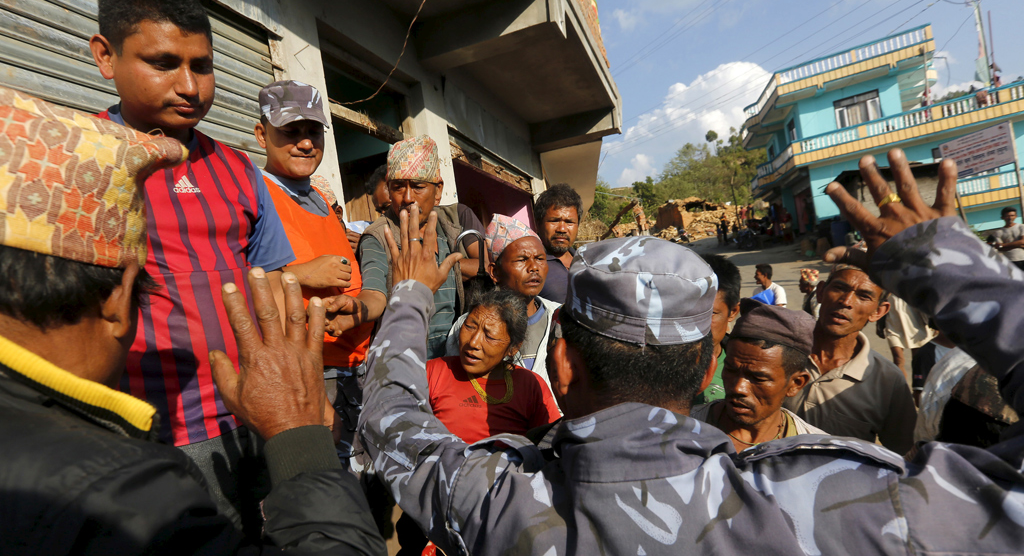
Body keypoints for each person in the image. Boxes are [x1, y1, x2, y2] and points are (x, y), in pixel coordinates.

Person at [356, 148, 1024, 554]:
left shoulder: (496, 498)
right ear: (709, 366)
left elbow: (392, 424)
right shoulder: (832, 503)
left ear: (561, 362)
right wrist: (954, 271)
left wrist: (410, 296)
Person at [0, 88, 385, 554]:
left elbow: (268, 288)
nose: (187, 85)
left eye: (313, 132)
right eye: (291, 131)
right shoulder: (125, 486)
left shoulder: (253, 178)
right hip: (189, 424)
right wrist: (305, 450)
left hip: (261, 403)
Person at [88, 0, 298, 526]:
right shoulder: (85, 161)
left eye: (202, 66)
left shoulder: (238, 168)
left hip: (258, 413)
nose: (189, 86)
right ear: (106, 56)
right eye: (163, 63)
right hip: (154, 432)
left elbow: (274, 284)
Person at [253, 80, 379, 456]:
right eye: (291, 132)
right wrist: (301, 273)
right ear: (262, 134)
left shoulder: (321, 196)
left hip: (355, 366)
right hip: (309, 373)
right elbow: (232, 280)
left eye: (314, 132)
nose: (306, 143)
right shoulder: (254, 195)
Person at [399, 288, 560, 555]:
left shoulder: (530, 385)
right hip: (435, 503)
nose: (473, 342)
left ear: (513, 347)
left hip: (502, 509)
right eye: (470, 326)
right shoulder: (435, 372)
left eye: (489, 335)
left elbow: (546, 449)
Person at [358, 135, 474, 358]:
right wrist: (358, 309)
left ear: (438, 191)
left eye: (418, 187)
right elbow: (373, 291)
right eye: (398, 188)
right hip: (405, 357)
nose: (408, 197)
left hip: (451, 358)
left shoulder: (448, 227)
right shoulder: (378, 236)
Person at [785, 263, 917, 454]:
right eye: (839, 288)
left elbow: (903, 453)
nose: (846, 301)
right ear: (820, 292)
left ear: (878, 312)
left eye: (864, 296)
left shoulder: (888, 380)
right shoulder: (779, 352)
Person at [690, 300, 824, 451]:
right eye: (731, 370)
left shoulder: (815, 451)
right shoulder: (682, 429)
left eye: (758, 378)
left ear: (796, 384)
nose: (738, 388)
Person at [445, 214, 560, 391]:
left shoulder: (560, 317)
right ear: (495, 272)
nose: (534, 267)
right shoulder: (469, 326)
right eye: (522, 260)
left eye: (539, 258)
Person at [692, 254, 741, 405]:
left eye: (711, 313)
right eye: (688, 313)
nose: (696, 323)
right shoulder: (656, 367)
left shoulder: (745, 373)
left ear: (733, 312)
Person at [534, 183, 582, 303]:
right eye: (554, 221)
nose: (562, 229)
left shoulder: (586, 260)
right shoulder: (531, 265)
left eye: (569, 222)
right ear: (538, 224)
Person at [990, 206, 1024, 270]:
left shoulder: (1021, 227)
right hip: (1009, 262)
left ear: (1016, 216)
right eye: (1007, 216)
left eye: (1012, 215)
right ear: (1002, 217)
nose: (1010, 218)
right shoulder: (998, 232)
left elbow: (1023, 242)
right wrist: (1018, 244)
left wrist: (1004, 245)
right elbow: (1000, 248)